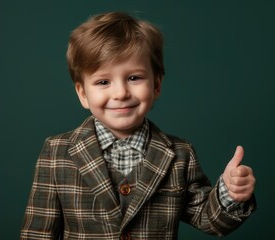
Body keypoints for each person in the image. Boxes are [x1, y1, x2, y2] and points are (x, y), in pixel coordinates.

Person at [21, 12, 256, 239]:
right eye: (103, 81)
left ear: (156, 86)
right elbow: (38, 232)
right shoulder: (56, 152)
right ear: (83, 93)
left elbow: (209, 220)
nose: (121, 93)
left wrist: (230, 192)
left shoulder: (180, 155)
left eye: (134, 78)